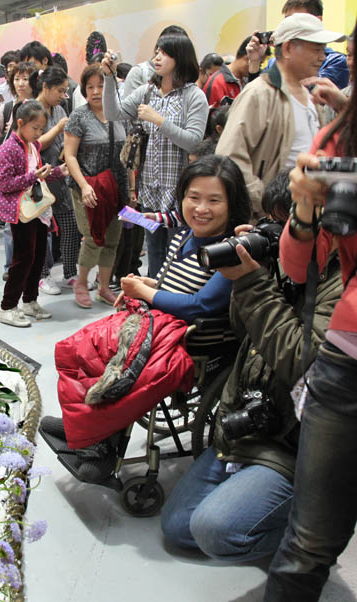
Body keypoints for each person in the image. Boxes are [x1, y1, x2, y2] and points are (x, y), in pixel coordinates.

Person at [160, 170, 341, 564]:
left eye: (297, 225)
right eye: (279, 224)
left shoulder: (342, 282)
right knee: (178, 528)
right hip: (249, 422)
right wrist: (263, 270)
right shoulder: (287, 263)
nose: (288, 235)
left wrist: (254, 284)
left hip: (297, 444)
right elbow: (244, 330)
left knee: (216, 531)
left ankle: (319, 524)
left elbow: (303, 363)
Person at [41, 155, 252, 482]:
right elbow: (172, 281)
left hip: (189, 338)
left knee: (113, 360)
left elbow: (200, 304)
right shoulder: (183, 234)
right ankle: (82, 429)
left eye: (214, 200)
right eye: (193, 198)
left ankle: (99, 445)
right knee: (81, 347)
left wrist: (146, 293)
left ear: (232, 204)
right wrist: (150, 287)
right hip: (157, 320)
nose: (201, 208)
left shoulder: (231, 250)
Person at [263, 32, 357, 597]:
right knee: (305, 544)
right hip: (342, 365)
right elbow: (296, 267)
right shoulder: (337, 138)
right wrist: (302, 205)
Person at [102, 34, 210, 277]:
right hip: (149, 188)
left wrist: (158, 120)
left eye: (165, 52)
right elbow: (112, 113)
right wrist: (109, 78)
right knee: (154, 252)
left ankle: (172, 306)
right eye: (156, 51)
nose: (157, 57)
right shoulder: (147, 92)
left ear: (180, 57)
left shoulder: (193, 96)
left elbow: (193, 141)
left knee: (177, 254)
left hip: (178, 193)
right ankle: (154, 307)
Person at [216, 13, 345, 215]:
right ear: (288, 48)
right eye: (316, 49)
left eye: (323, 50)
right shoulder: (259, 93)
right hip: (273, 220)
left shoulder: (313, 97)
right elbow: (229, 156)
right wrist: (267, 203)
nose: (322, 57)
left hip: (307, 216)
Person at [0, 100, 68, 328]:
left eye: (41, 129)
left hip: (36, 208)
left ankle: (29, 300)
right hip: (20, 211)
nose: (38, 133)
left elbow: (38, 173)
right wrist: (34, 176)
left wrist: (57, 172)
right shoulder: (8, 149)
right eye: (34, 128)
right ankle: (7, 306)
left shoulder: (31, 145)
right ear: (20, 123)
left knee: (38, 258)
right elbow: (5, 184)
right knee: (23, 258)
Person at [64, 63, 128, 308]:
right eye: (90, 87)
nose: (95, 91)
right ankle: (81, 283)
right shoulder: (79, 116)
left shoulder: (120, 113)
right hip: (87, 185)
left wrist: (131, 188)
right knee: (91, 236)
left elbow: (128, 153)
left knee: (113, 238)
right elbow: (69, 156)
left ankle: (103, 287)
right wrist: (84, 186)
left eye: (101, 86)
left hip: (116, 186)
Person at [0, 61, 39, 277]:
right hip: (13, 174)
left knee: (41, 224)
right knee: (11, 225)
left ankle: (39, 270)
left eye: (25, 78)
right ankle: (11, 267)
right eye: (17, 79)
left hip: (38, 172)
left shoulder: (41, 105)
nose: (21, 83)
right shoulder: (8, 107)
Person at [32, 67, 79, 296]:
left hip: (61, 175)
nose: (62, 95)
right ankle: (42, 276)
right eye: (59, 90)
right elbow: (33, 144)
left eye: (65, 91)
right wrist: (59, 128)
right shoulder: (31, 110)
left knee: (70, 224)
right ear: (45, 87)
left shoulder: (60, 109)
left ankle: (70, 272)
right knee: (42, 229)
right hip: (38, 177)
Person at [122, 25, 188, 98]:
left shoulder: (187, 83)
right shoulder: (139, 73)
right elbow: (126, 108)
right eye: (162, 51)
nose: (158, 58)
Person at [203, 38, 253, 108]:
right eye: (259, 63)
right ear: (247, 59)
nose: (258, 68)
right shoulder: (216, 83)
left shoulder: (248, 82)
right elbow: (211, 116)